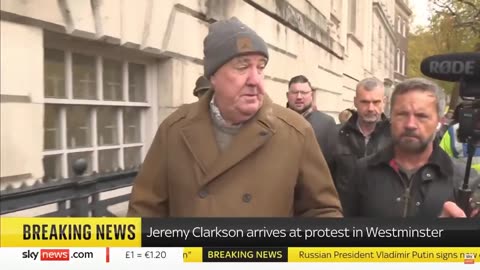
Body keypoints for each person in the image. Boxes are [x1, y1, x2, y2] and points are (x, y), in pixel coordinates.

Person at [127, 17, 342, 217]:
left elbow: (323, 213)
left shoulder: (296, 131)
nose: (255, 80)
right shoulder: (174, 130)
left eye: (260, 67)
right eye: (242, 67)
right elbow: (145, 212)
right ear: (213, 76)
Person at [344, 78, 478, 218]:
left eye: (421, 116)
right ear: (391, 118)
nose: (410, 124)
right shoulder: (363, 171)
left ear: (439, 121)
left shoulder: (464, 179)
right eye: (402, 114)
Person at [325, 77, 391, 206]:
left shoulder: (395, 137)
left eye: (376, 102)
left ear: (384, 102)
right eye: (364, 102)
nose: (371, 108)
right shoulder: (336, 135)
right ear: (355, 102)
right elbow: (325, 180)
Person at [286, 75, 337, 156]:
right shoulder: (277, 121)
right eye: (295, 93)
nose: (299, 97)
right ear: (288, 96)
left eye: (304, 93)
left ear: (311, 95)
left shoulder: (327, 123)